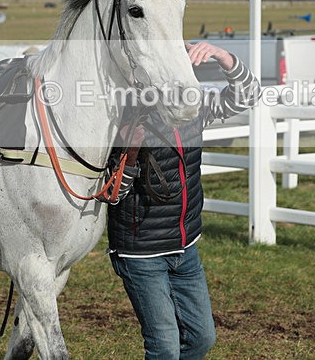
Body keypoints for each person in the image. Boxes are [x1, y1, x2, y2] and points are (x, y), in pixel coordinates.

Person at [106, 41, 259, 359]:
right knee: (164, 347)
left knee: (202, 338)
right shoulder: (123, 117)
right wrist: (128, 153)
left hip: (186, 247)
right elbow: (113, 195)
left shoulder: (193, 107)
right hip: (141, 252)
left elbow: (248, 96)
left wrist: (223, 57)